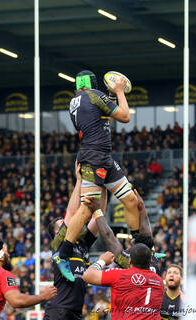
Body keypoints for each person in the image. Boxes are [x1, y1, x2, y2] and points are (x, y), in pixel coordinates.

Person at [55, 70, 140, 281]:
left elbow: (100, 120)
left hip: (101, 157)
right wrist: (119, 91)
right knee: (87, 208)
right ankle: (62, 254)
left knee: (130, 199)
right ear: (94, 84)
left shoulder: (75, 101)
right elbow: (125, 116)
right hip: (95, 158)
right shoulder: (94, 95)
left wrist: (109, 97)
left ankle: (142, 247)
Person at [44, 163, 98, 320]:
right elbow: (72, 213)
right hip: (59, 310)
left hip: (75, 312)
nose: (69, 223)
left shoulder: (82, 243)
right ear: (56, 233)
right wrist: (79, 181)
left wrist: (103, 185)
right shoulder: (58, 243)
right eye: (62, 224)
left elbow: (99, 216)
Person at [84, 189, 166, 275]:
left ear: (137, 251)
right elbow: (147, 236)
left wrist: (97, 211)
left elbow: (108, 236)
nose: (127, 249)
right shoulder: (151, 257)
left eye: (131, 247)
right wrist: (141, 208)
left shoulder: (130, 263)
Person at [83, 244, 165, 319]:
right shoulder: (159, 281)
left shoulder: (119, 275)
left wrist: (102, 261)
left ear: (129, 260)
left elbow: (87, 275)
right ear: (150, 261)